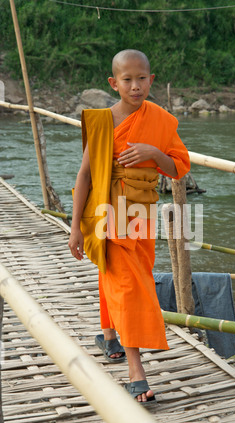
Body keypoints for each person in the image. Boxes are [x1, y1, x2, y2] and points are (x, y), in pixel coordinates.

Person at [68, 49, 190, 404]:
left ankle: (109, 335)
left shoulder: (163, 121)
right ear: (113, 83)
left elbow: (179, 167)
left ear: (152, 80)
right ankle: (136, 370)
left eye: (142, 79)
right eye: (127, 80)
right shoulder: (103, 121)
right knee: (129, 286)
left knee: (121, 278)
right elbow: (86, 174)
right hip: (107, 212)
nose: (135, 86)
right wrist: (75, 227)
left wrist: (153, 153)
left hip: (141, 216)